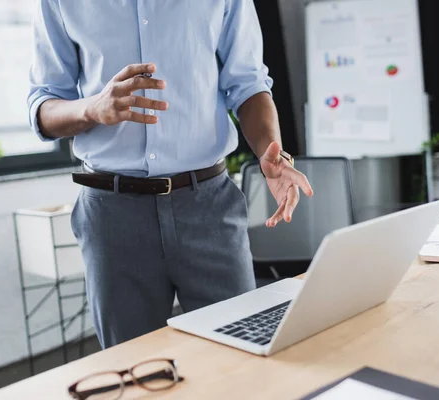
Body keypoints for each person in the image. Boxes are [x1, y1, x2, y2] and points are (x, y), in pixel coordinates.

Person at [27, 0, 314, 349]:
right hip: (113, 216)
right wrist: (93, 108)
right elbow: (43, 105)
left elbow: (249, 83)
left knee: (238, 353)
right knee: (133, 368)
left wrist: (273, 152)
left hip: (209, 208)